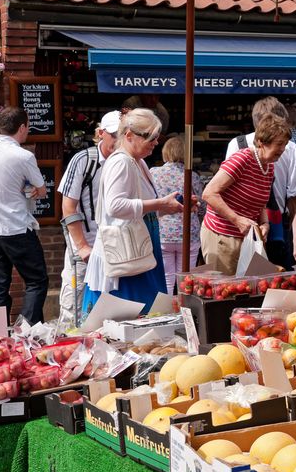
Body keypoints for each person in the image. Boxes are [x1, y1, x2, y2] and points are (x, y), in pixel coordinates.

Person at [81, 109, 182, 313]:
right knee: (129, 321)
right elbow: (115, 206)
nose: (155, 143)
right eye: (151, 137)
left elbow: (140, 209)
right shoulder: (121, 162)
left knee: (144, 321)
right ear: (129, 136)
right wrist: (159, 204)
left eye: (157, 138)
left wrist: (170, 206)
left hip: (139, 249)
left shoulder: (139, 162)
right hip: (127, 255)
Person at [0, 108, 50, 325]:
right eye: (27, 127)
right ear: (22, 127)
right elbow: (42, 189)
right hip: (16, 228)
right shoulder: (24, 156)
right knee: (37, 281)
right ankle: (25, 333)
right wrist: (34, 189)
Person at [202, 114, 291, 274]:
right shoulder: (242, 159)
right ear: (261, 142)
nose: (283, 149)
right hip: (223, 237)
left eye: (285, 144)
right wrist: (237, 220)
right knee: (225, 291)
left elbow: (261, 202)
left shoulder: (268, 166)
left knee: (248, 290)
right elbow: (209, 194)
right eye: (279, 144)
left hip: (248, 239)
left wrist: (265, 224)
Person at [225, 97, 296, 269]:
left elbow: (228, 189)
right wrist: (289, 231)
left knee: (244, 282)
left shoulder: (236, 144)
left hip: (242, 224)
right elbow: (294, 196)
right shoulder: (290, 147)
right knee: (277, 281)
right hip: (272, 225)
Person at [57, 110, 119, 326]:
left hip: (115, 245)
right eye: (114, 135)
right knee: (75, 300)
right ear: (101, 133)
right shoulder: (84, 159)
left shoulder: (128, 162)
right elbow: (68, 205)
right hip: (87, 244)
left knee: (110, 304)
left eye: (123, 135)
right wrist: (82, 246)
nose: (118, 140)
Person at [149, 135, 203, 294]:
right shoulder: (192, 176)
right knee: (185, 279)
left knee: (166, 277)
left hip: (163, 231)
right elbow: (201, 206)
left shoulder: (154, 173)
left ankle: (167, 312)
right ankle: (184, 311)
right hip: (188, 234)